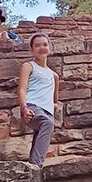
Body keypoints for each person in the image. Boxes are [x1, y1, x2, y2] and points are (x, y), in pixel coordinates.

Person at [17, 33, 59, 167]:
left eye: (45, 45)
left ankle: (31, 166)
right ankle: (37, 165)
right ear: (31, 50)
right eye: (37, 45)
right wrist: (24, 108)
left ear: (50, 48)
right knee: (47, 124)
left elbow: (55, 101)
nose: (42, 48)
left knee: (40, 134)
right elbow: (22, 90)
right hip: (32, 107)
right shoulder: (29, 66)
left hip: (48, 112)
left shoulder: (54, 75)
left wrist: (54, 106)